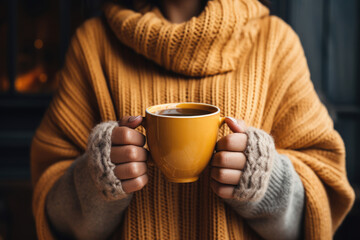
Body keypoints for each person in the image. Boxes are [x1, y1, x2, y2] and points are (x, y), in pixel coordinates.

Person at [31, 0, 355, 239]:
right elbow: (54, 215)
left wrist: (266, 182)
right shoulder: (93, 44)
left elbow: (320, 206)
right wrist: (96, 178)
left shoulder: (276, 43)